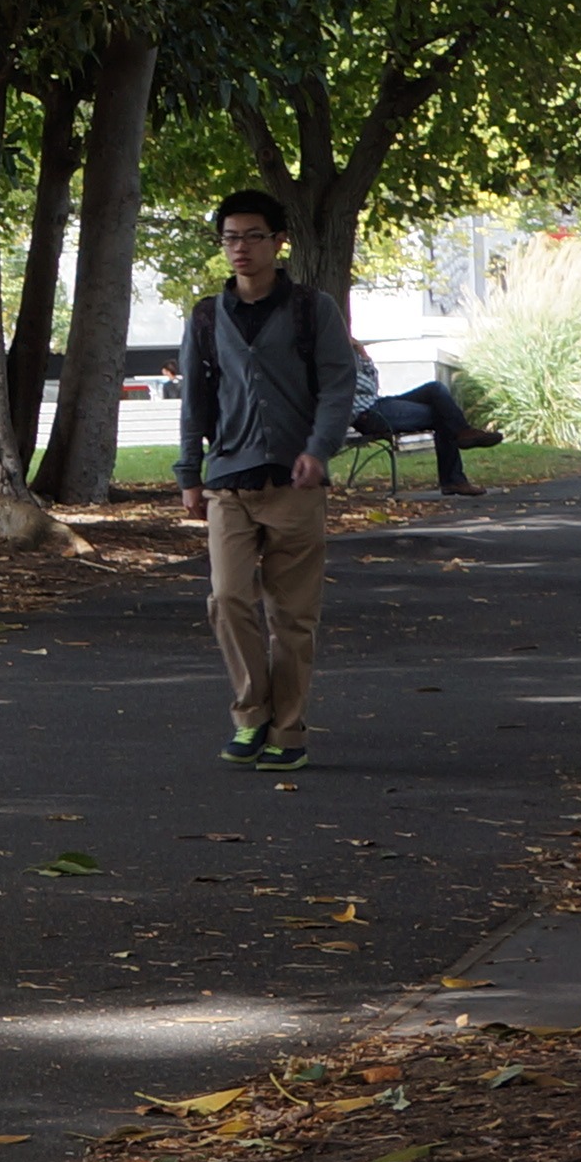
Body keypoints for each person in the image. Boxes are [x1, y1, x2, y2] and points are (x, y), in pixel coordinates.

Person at [176, 187, 356, 772]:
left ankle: (288, 729)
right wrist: (189, 474)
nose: (241, 248)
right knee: (228, 599)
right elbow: (195, 400)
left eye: (254, 236)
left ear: (279, 242)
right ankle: (251, 713)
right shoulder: (207, 317)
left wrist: (318, 450)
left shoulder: (311, 308)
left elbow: (336, 384)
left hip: (295, 484)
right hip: (229, 479)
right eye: (231, 237)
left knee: (292, 616)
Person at [347, 346, 505, 494]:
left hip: (378, 403)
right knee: (442, 415)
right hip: (368, 414)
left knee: (435, 389)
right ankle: (454, 476)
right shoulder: (333, 356)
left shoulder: (350, 351)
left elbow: (372, 385)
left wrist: (362, 352)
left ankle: (463, 434)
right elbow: (353, 386)